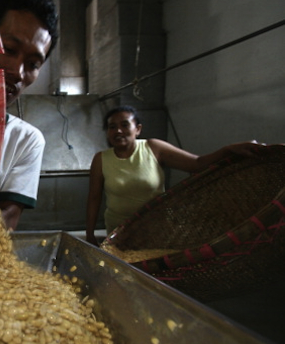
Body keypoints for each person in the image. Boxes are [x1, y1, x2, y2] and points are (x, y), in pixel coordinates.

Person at [85, 105, 264, 245]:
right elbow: (94, 197)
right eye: (112, 127)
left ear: (138, 129)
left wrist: (228, 150)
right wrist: (90, 233)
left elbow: (196, 164)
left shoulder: (153, 148)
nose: (118, 131)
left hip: (155, 227)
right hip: (118, 231)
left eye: (125, 125)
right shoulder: (101, 159)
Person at [0, 0, 59, 231]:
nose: (17, 73)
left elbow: (7, 219)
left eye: (32, 63)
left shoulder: (26, 140)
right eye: (9, 49)